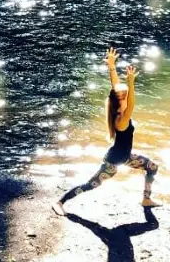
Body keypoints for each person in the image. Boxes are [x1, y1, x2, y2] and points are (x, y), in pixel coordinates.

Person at [52, 47, 160, 215]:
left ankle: (146, 199)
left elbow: (115, 87)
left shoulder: (119, 110)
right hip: (113, 162)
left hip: (125, 157)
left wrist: (111, 66)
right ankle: (60, 202)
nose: (125, 96)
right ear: (121, 102)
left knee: (152, 167)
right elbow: (131, 103)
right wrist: (131, 83)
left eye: (125, 94)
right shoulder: (121, 119)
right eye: (124, 95)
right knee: (91, 185)